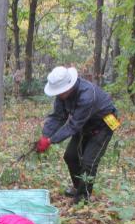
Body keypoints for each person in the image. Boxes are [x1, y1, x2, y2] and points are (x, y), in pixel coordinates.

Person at [35, 66, 119, 204]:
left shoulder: (87, 95)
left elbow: (73, 125)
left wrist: (51, 140)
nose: (59, 95)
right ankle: (77, 187)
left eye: (60, 92)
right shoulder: (62, 96)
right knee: (70, 156)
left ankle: (83, 197)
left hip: (103, 125)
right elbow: (58, 116)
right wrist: (45, 136)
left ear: (69, 87)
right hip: (84, 125)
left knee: (88, 162)